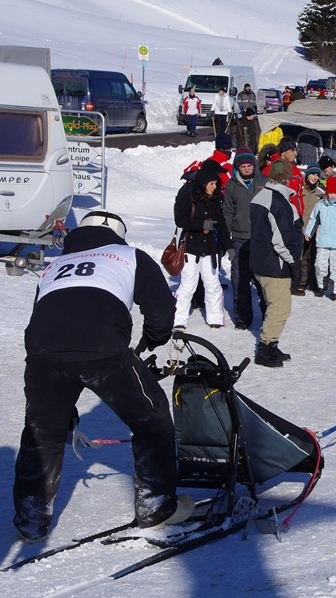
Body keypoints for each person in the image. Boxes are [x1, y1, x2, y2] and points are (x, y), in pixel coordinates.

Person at [12, 211, 189, 542]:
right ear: (119, 236)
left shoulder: (54, 265)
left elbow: (42, 314)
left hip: (42, 353)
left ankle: (31, 518)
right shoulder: (129, 255)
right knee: (152, 420)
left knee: (43, 433)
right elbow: (162, 311)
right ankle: (157, 507)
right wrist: (152, 339)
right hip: (104, 348)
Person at [249, 159, 302, 367]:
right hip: (275, 265)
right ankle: (265, 349)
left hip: (260, 262)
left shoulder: (259, 196)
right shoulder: (278, 202)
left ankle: (272, 344)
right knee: (279, 309)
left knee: (271, 306)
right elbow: (280, 240)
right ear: (287, 178)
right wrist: (294, 263)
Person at [173, 165, 232, 329]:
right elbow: (180, 220)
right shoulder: (188, 197)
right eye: (211, 183)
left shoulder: (215, 200)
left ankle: (215, 318)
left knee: (213, 284)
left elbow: (221, 224)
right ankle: (179, 319)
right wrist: (202, 225)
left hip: (210, 250)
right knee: (188, 285)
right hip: (190, 248)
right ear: (203, 183)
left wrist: (229, 246)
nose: (215, 187)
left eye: (216, 183)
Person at [223, 148, 267, 329]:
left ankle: (268, 317)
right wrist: (228, 243)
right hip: (240, 239)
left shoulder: (263, 182)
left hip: (261, 239)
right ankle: (242, 319)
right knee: (239, 280)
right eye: (243, 166)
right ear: (237, 168)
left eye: (250, 165)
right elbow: (227, 213)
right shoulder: (231, 185)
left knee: (263, 282)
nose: (247, 169)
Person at [304, 176, 336, 301]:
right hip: (323, 241)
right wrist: (308, 232)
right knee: (320, 265)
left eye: (335, 193)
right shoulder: (320, 205)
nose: (332, 196)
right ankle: (321, 286)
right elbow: (313, 219)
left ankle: (335, 291)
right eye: (330, 193)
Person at [296, 163, 324, 294]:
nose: (315, 177)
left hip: (317, 230)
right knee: (303, 257)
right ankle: (302, 281)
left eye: (317, 175)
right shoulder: (299, 190)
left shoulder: (321, 192)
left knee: (315, 257)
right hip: (302, 228)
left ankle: (314, 282)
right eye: (312, 174)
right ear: (307, 175)